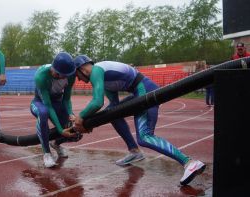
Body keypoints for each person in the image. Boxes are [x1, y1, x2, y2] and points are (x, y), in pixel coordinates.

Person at [73, 55, 206, 185]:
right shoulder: (101, 76)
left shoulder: (96, 70)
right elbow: (113, 106)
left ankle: (189, 163)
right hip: (139, 92)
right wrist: (89, 121)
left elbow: (97, 102)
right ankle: (134, 151)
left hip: (145, 90)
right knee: (112, 114)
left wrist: (81, 117)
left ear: (82, 69)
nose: (78, 79)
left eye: (76, 75)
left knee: (145, 136)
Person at [30, 52, 81, 168]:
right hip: (40, 103)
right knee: (43, 113)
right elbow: (47, 105)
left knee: (76, 131)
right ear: (53, 67)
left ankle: (56, 144)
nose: (61, 77)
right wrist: (59, 129)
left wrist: (70, 115)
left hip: (58, 103)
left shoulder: (70, 75)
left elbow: (66, 99)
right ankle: (46, 153)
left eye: (63, 76)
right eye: (58, 74)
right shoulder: (41, 76)